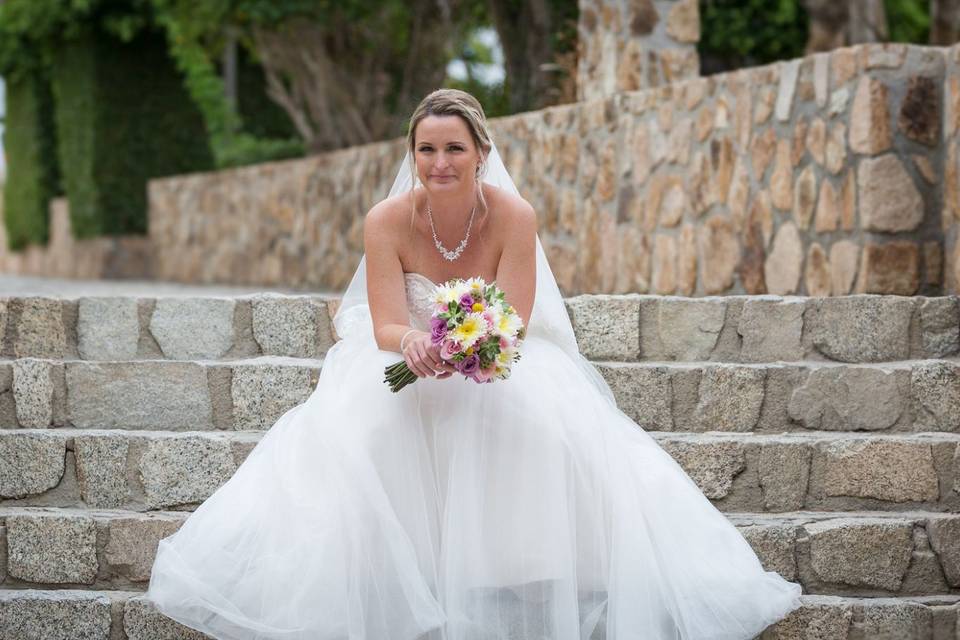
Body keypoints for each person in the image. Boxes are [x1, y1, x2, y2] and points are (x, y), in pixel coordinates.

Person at [145, 88, 803, 639]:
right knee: (366, 422)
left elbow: (512, 321)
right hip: (407, 357)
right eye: (426, 149)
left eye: (454, 148)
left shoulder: (514, 216)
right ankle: (391, 577)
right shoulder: (385, 220)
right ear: (413, 155)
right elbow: (382, 322)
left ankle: (520, 570)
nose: (439, 161)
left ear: (481, 153)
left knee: (540, 421)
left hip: (496, 356)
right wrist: (415, 345)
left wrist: (470, 349)